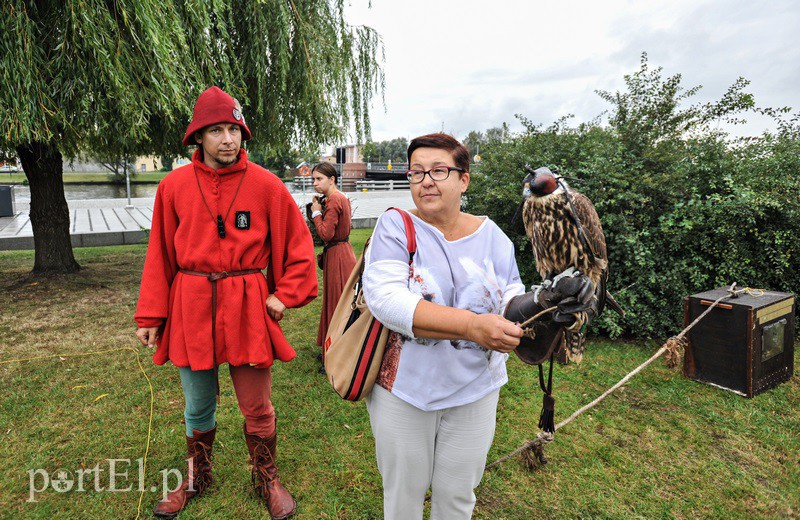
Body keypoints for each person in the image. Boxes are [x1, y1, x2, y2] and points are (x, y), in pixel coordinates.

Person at [361, 133, 595, 519]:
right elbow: (387, 301)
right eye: (416, 172)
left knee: (457, 497)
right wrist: (471, 327)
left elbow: (507, 301)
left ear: (463, 179)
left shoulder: (494, 237)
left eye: (439, 170)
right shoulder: (395, 226)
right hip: (405, 392)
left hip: (475, 390)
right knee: (403, 499)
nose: (425, 181)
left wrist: (543, 303)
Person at [134, 86, 317, 520]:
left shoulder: (268, 187)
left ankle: (265, 477)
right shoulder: (174, 187)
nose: (228, 139)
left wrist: (283, 294)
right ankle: (199, 476)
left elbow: (299, 249)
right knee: (197, 404)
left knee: (257, 404)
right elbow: (159, 255)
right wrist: (150, 315)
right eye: (216, 130)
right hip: (191, 304)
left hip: (247, 305)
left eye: (233, 129)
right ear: (198, 137)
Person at [309, 162, 357, 372]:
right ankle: (337, 351)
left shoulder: (335, 199)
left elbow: (326, 234)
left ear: (332, 179)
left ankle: (335, 355)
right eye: (313, 179)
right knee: (340, 302)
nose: (315, 183)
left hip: (337, 255)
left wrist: (316, 213)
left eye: (319, 179)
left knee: (336, 304)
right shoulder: (341, 198)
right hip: (343, 251)